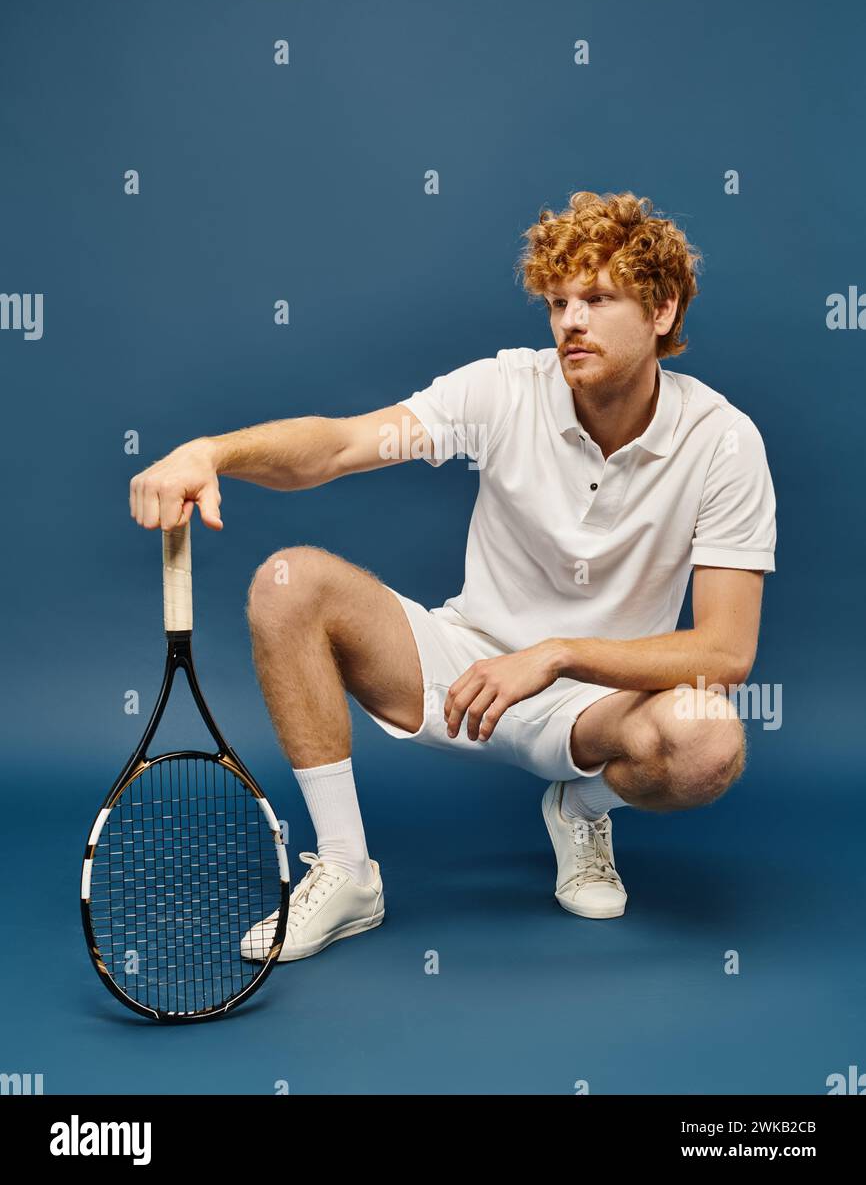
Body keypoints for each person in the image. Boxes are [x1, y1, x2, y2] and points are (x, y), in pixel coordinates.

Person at [129, 190, 776, 961]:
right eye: (557, 301)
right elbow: (338, 446)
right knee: (287, 581)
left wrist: (556, 655)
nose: (571, 321)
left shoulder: (725, 442)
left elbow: (725, 654)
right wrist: (212, 451)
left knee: (708, 739)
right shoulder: (503, 389)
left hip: (602, 704)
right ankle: (346, 870)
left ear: (663, 310)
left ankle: (580, 808)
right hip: (465, 672)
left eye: (599, 299)